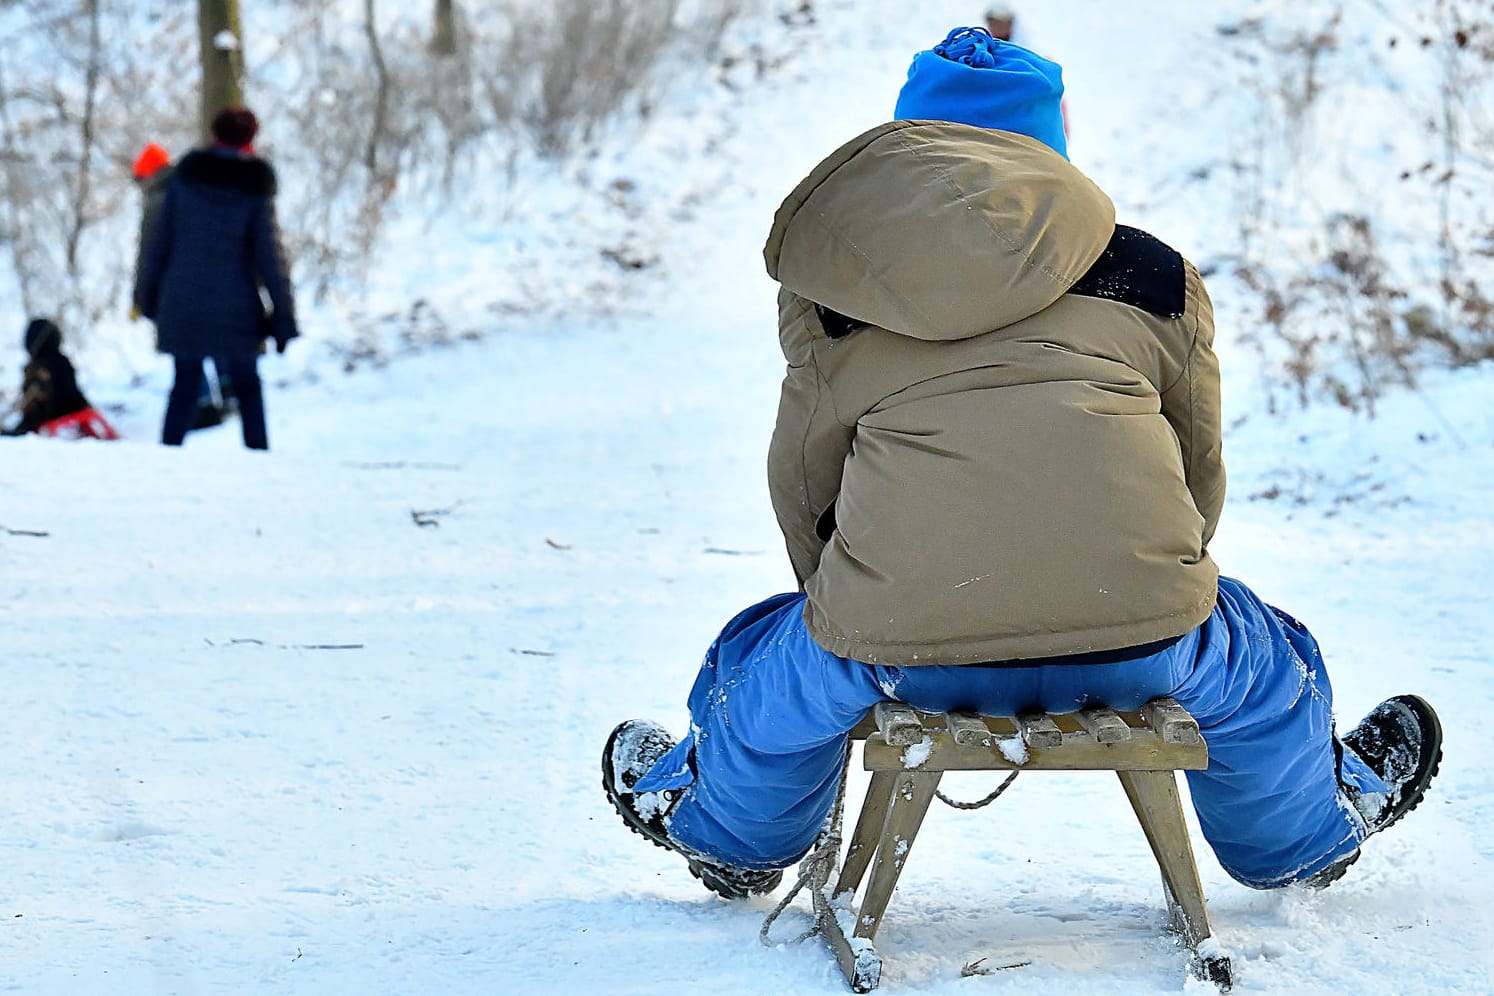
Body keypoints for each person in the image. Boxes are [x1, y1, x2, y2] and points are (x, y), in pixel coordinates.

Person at [602, 26, 1442, 902]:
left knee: (763, 663)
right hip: (1143, 633)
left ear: (906, 140)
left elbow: (804, 482)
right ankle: (1303, 837)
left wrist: (865, 601)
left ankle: (726, 833)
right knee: (1267, 660)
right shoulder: (1152, 275)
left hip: (899, 640)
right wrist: (1131, 580)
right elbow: (1196, 472)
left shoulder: (836, 293)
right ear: (1053, 143)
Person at [134, 107, 298, 451]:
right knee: (248, 388)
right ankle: (259, 464)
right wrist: (283, 316)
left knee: (183, 387)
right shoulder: (255, 187)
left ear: (214, 134)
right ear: (251, 139)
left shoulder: (185, 178)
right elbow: (271, 258)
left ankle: (166, 464)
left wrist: (146, 298)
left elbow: (158, 244)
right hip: (236, 307)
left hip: (182, 302)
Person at [131, 142, 233, 432]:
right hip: (208, 282)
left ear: (149, 175)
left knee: (185, 348)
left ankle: (201, 406)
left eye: (140, 179)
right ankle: (228, 389)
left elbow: (147, 254)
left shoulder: (156, 202)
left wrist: (140, 295)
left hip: (172, 290)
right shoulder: (195, 191)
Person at [3, 318, 118, 440]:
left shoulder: (36, 367)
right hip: (75, 406)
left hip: (51, 413)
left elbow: (34, 403)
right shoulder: (63, 360)